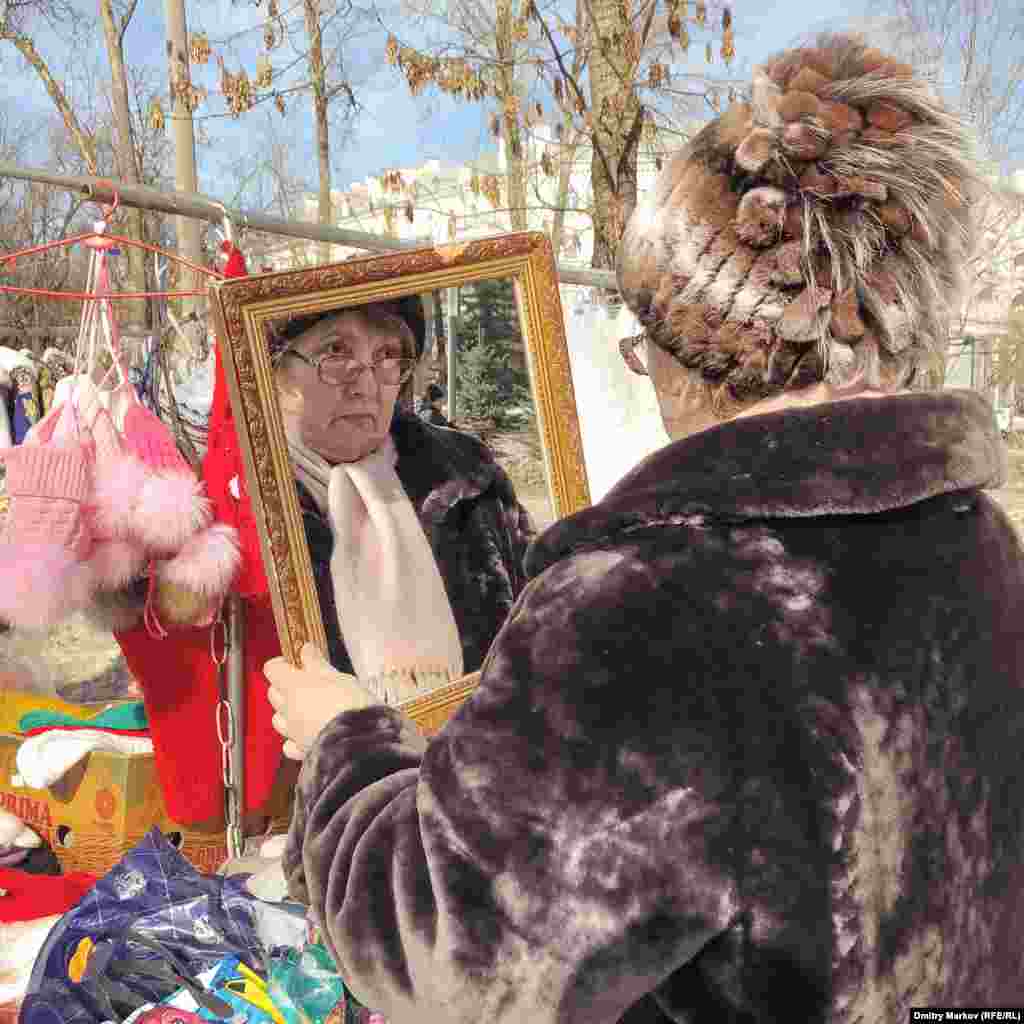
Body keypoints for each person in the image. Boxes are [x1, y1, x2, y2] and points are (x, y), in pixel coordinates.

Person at [266, 34, 1024, 1022]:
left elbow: (443, 957)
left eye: (644, 347)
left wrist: (343, 745)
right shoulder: (971, 538)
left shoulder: (654, 597)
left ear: (691, 353)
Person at [269, 294, 533, 686]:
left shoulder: (467, 475)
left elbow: (541, 616)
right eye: (336, 351)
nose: (368, 384)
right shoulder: (242, 503)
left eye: (388, 354)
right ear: (276, 371)